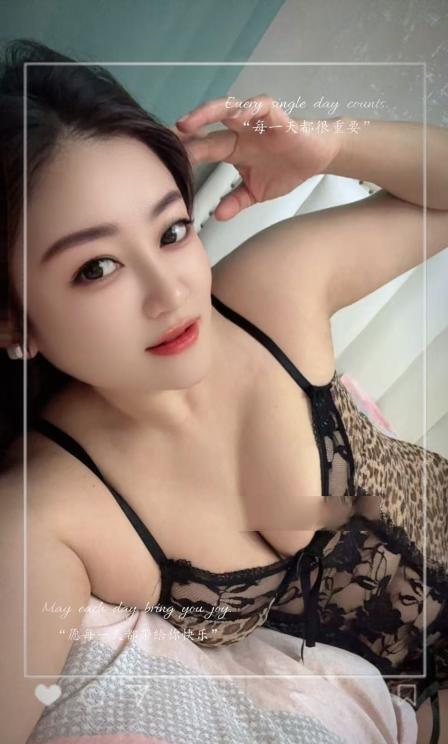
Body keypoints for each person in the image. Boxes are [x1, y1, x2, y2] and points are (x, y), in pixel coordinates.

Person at [1, 38, 447, 744]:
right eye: (97, 268)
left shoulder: (268, 296)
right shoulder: (49, 514)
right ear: (14, 322)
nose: (171, 292)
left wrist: (329, 147)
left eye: (172, 231)